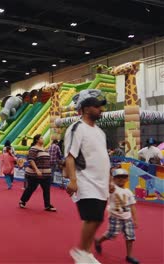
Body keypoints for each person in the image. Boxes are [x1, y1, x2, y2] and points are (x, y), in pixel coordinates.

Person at [64, 89, 114, 264]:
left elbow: (104, 158)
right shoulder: (76, 128)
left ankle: (85, 252)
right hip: (85, 180)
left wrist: (110, 180)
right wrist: (73, 181)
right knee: (92, 217)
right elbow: (70, 156)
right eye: (97, 106)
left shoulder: (100, 132)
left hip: (101, 183)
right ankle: (80, 252)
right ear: (85, 108)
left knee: (97, 218)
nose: (102, 110)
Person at [94, 168, 139, 264]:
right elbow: (108, 188)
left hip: (127, 218)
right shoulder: (112, 188)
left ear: (127, 179)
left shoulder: (129, 192)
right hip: (115, 217)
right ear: (113, 179)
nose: (121, 179)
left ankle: (129, 256)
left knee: (130, 237)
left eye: (123, 177)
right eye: (118, 177)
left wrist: (135, 219)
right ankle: (98, 241)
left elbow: (132, 206)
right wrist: (110, 182)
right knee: (111, 234)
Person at [19, 134, 56, 212]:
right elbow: (31, 160)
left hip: (46, 174)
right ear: (37, 140)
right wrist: (37, 170)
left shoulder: (45, 149)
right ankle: (23, 200)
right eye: (41, 138)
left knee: (46, 190)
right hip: (35, 174)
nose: (43, 139)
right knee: (31, 188)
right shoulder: (33, 149)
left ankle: (47, 205)